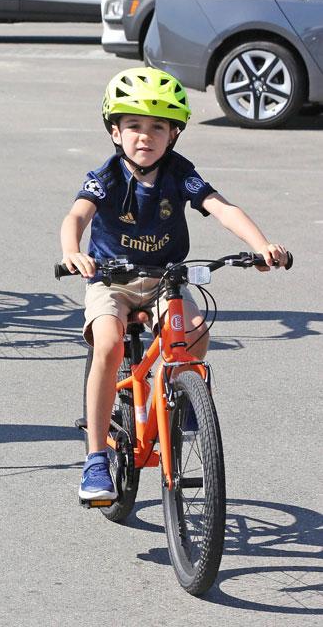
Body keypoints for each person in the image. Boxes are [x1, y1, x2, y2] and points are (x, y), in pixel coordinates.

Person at [59, 67, 288, 502]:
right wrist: (73, 251)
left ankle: (180, 400)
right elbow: (77, 216)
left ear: (173, 135)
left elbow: (222, 208)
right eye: (133, 126)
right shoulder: (105, 176)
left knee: (196, 331)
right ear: (114, 131)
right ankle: (94, 459)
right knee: (107, 345)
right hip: (112, 279)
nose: (145, 136)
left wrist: (262, 246)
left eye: (157, 127)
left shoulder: (180, 173)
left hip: (166, 278)